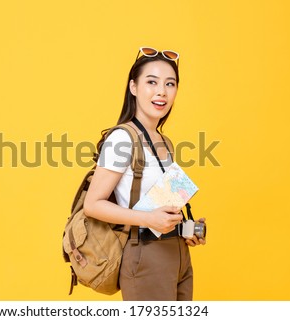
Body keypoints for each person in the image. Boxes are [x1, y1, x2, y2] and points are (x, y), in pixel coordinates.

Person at [83, 47, 206, 301]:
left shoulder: (165, 141)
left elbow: (161, 206)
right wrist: (148, 219)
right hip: (145, 255)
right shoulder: (122, 139)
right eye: (152, 82)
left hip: (178, 253)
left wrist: (184, 228)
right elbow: (92, 205)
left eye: (169, 84)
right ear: (134, 87)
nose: (162, 91)